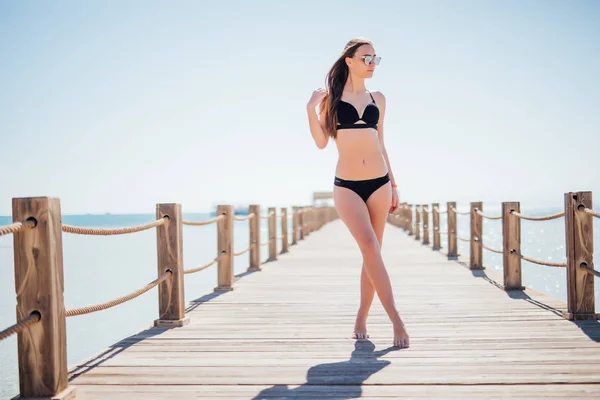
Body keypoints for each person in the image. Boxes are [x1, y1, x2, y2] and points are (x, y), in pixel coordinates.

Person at [306, 37, 409, 348]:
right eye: (366, 58)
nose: (372, 64)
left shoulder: (379, 98)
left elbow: (381, 142)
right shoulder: (331, 101)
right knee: (368, 244)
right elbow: (322, 142)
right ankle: (397, 320)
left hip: (379, 183)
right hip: (347, 186)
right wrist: (310, 109)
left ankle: (362, 317)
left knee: (372, 253)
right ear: (349, 61)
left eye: (375, 58)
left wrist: (393, 183)